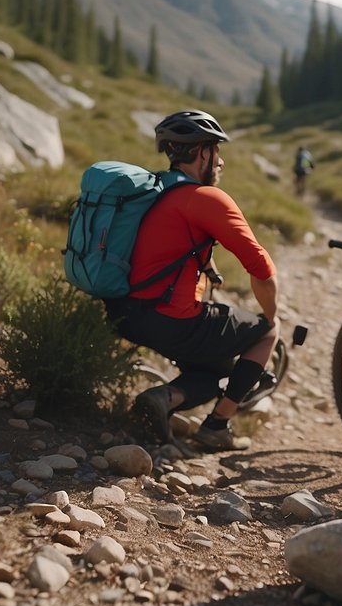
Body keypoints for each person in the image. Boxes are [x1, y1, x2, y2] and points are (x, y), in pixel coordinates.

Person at [104, 109, 280, 452]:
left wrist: (208, 268)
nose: (221, 162)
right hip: (171, 319)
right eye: (217, 151)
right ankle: (216, 426)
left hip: (123, 313)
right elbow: (260, 267)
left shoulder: (154, 190)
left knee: (220, 369)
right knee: (267, 332)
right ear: (202, 152)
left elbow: (165, 240)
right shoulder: (207, 198)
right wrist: (271, 317)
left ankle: (164, 398)